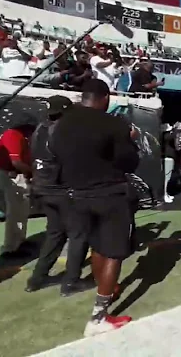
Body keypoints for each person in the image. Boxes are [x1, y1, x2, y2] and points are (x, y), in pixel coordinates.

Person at [50, 79, 140, 336]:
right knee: (113, 251)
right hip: (109, 194)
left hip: (76, 195)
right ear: (105, 98)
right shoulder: (113, 124)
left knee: (97, 246)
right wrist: (129, 140)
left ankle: (106, 290)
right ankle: (99, 317)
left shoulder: (62, 123)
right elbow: (129, 162)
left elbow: (54, 151)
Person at [26, 95, 95, 296]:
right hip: (62, 189)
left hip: (42, 188)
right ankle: (71, 282)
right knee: (78, 234)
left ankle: (37, 278)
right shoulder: (66, 131)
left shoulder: (40, 129)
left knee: (55, 233)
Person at [0, 120, 36, 258]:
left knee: (22, 210)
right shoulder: (13, 135)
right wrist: (32, 174)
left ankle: (20, 241)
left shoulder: (18, 137)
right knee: (14, 212)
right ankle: (9, 248)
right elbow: (16, 162)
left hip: (17, 175)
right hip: (11, 175)